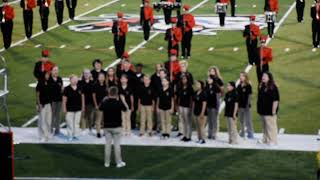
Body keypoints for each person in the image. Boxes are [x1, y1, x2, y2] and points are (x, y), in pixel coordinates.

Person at [100, 86, 126, 168]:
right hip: (117, 127)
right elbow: (126, 109)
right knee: (117, 145)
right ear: (116, 94)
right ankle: (118, 162)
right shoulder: (118, 103)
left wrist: (103, 100)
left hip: (107, 127)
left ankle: (106, 163)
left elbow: (100, 108)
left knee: (107, 145)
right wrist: (121, 100)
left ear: (109, 93)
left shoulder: (105, 102)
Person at [257, 72, 280, 145]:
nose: (263, 77)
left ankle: (273, 141)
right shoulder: (261, 86)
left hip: (269, 111)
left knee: (271, 127)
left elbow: (276, 100)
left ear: (269, 78)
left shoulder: (273, 87)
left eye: (265, 76)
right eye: (263, 76)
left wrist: (273, 111)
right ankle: (265, 139)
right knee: (264, 127)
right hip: (262, 110)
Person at [63, 74, 84, 141]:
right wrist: (64, 108)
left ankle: (76, 135)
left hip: (78, 108)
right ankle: (70, 135)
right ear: (70, 80)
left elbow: (82, 98)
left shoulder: (80, 87)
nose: (75, 81)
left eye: (76, 79)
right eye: (73, 79)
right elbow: (64, 100)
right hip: (69, 109)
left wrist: (83, 106)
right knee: (69, 123)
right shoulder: (66, 89)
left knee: (76, 123)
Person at [236, 72, 254, 139]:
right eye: (240, 76)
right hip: (240, 106)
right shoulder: (239, 85)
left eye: (242, 76)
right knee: (241, 120)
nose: (241, 77)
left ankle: (250, 133)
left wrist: (247, 105)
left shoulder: (248, 85)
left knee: (248, 120)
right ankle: (242, 132)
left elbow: (249, 96)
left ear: (246, 77)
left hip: (246, 106)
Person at [36, 72, 53, 142]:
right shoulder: (40, 84)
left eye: (48, 75)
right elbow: (37, 95)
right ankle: (42, 135)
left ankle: (48, 133)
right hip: (42, 104)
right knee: (42, 120)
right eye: (46, 75)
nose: (48, 76)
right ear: (43, 75)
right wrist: (39, 104)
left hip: (49, 104)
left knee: (48, 120)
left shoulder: (49, 83)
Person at [176, 74, 194, 141]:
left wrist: (190, 107)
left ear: (187, 80)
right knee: (183, 121)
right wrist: (177, 105)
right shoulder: (180, 87)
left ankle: (188, 136)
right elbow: (178, 97)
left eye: (185, 79)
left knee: (188, 122)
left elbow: (191, 99)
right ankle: (184, 135)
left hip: (187, 107)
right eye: (183, 79)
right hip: (181, 106)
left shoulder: (190, 88)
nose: (184, 80)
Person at [92, 72, 108, 138]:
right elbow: (93, 96)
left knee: (105, 120)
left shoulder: (106, 86)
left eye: (103, 77)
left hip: (106, 105)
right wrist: (96, 105)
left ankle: (105, 132)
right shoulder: (95, 85)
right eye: (100, 77)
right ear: (98, 78)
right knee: (98, 119)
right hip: (98, 105)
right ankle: (98, 132)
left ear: (104, 78)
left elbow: (108, 95)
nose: (101, 78)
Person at [206, 75, 221, 140]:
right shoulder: (206, 87)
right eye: (208, 78)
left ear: (213, 80)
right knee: (209, 120)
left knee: (214, 121)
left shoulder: (216, 87)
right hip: (208, 106)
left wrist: (217, 108)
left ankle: (214, 134)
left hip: (214, 107)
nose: (208, 80)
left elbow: (217, 99)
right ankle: (209, 133)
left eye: (209, 79)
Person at [49, 66, 63, 135]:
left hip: (59, 101)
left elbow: (61, 89)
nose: (56, 71)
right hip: (52, 101)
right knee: (51, 115)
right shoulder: (48, 79)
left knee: (58, 116)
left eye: (57, 70)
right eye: (54, 70)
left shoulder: (60, 79)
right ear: (51, 71)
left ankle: (57, 130)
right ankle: (50, 129)